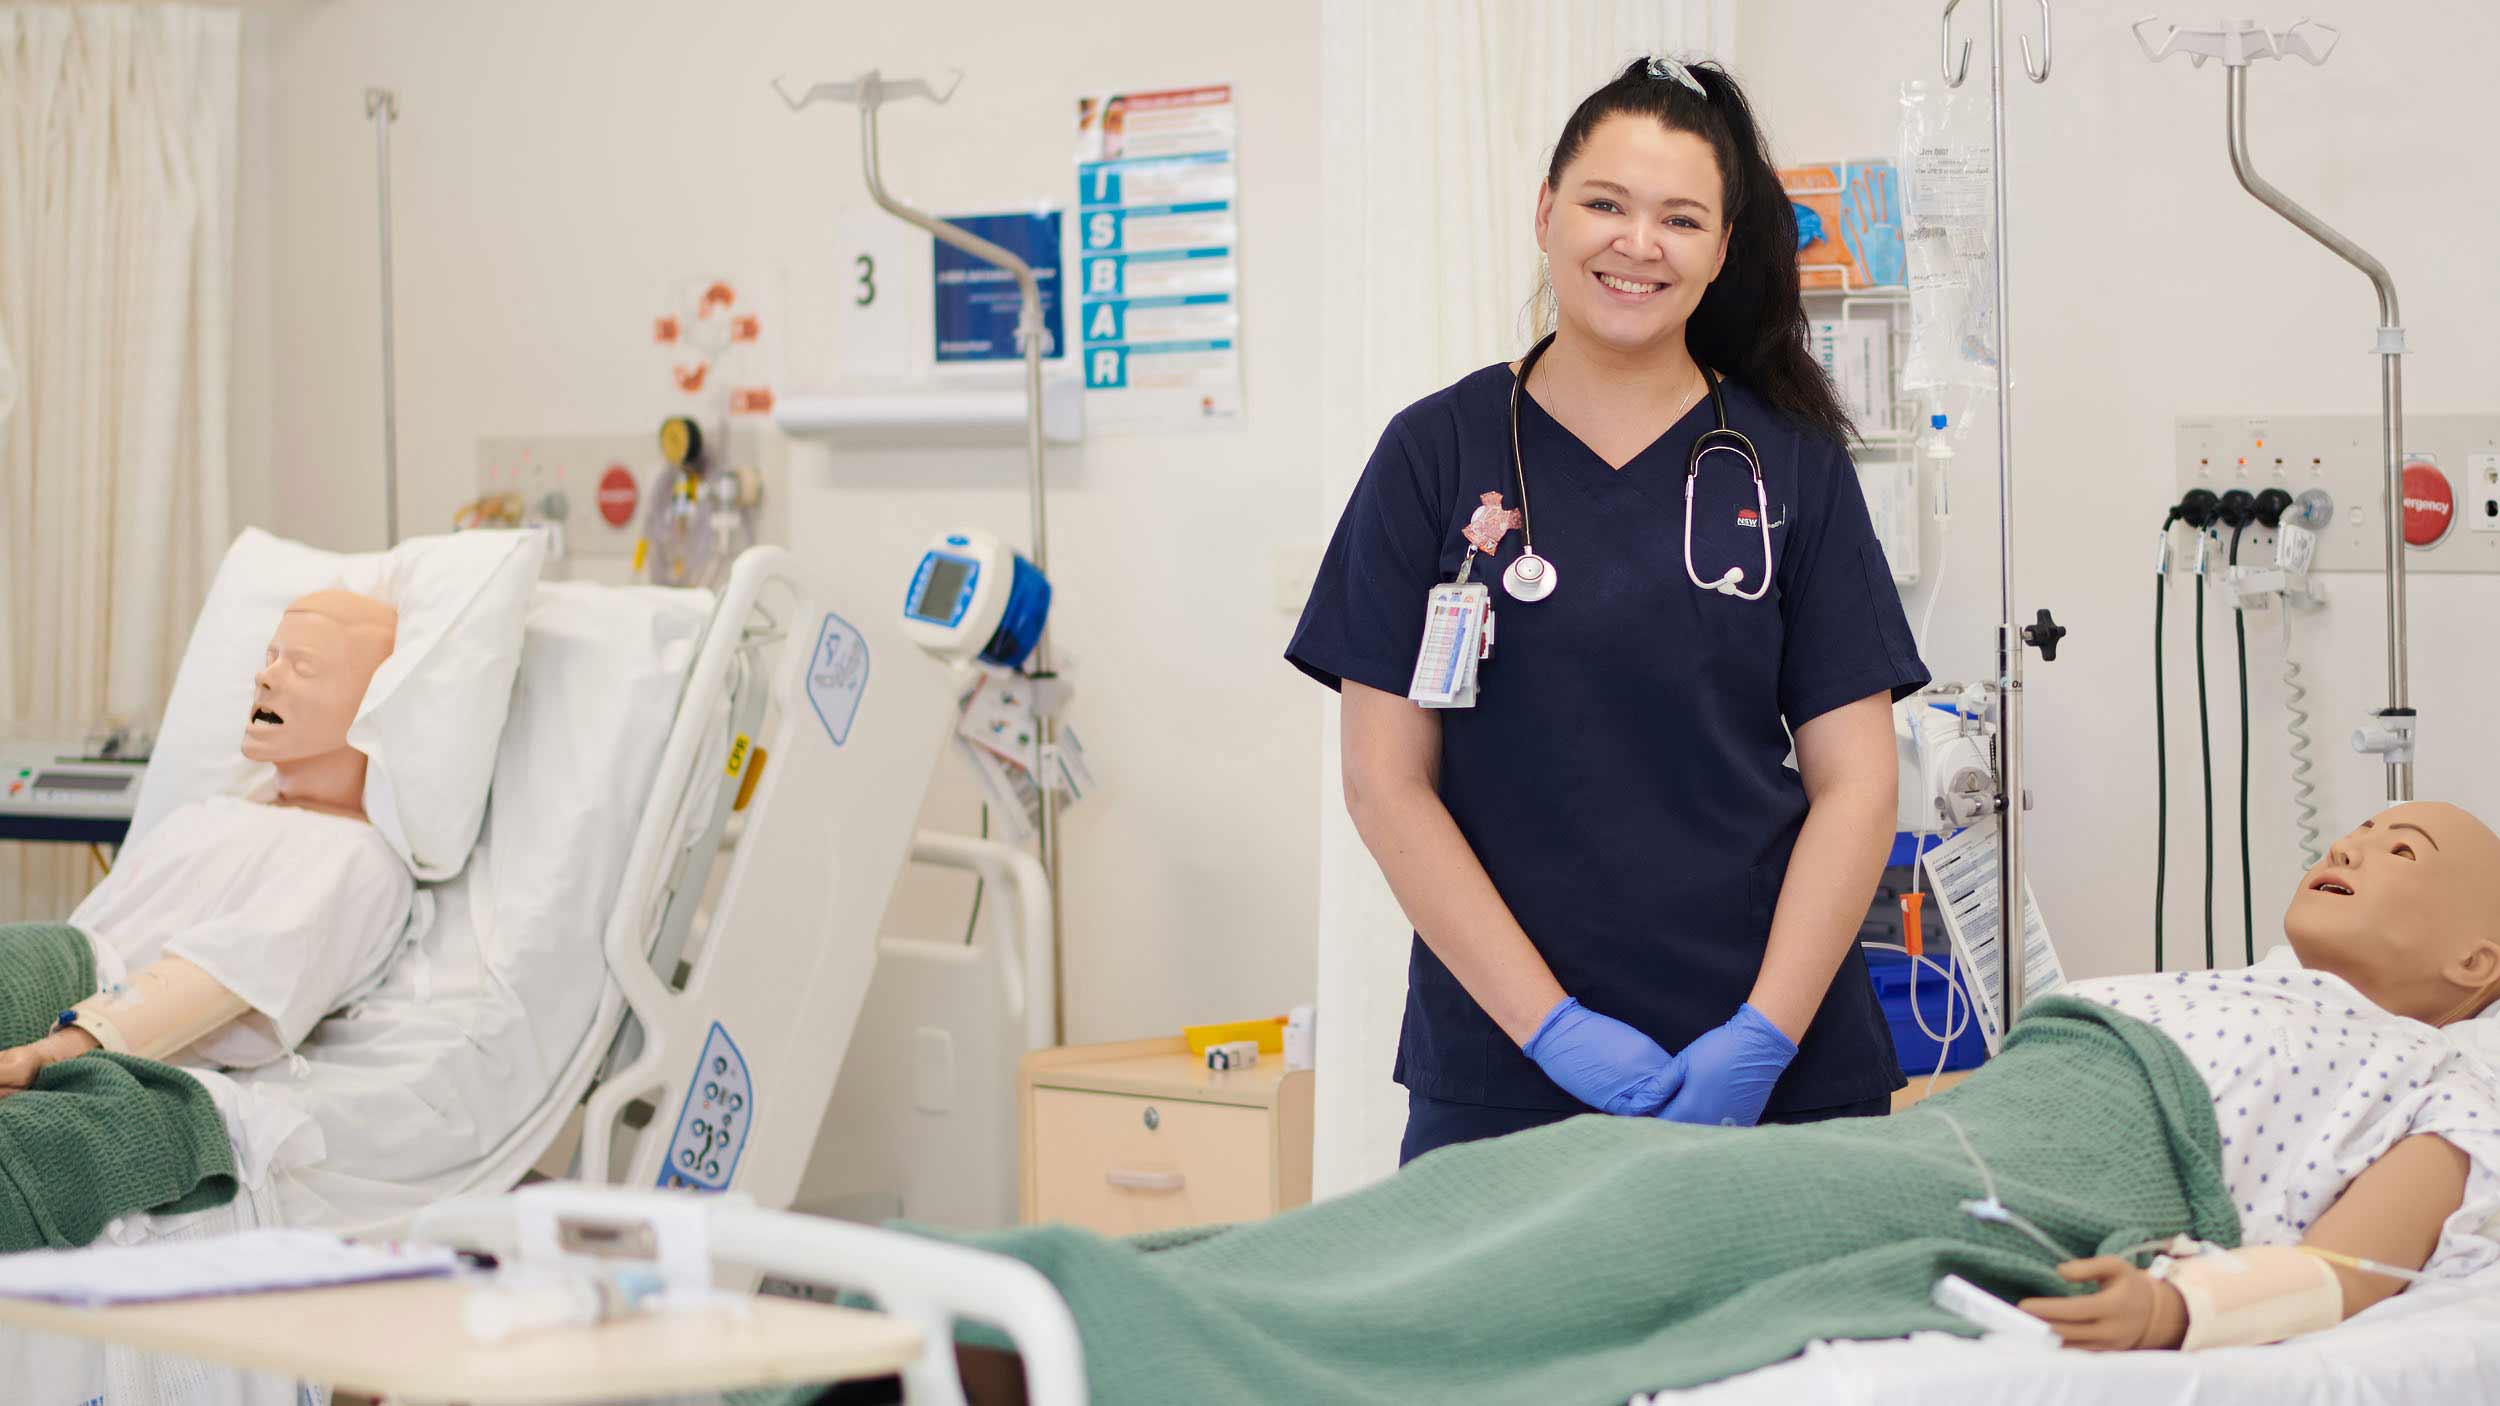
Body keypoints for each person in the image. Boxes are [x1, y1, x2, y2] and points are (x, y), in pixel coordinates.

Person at [775, 800, 2500, 1405]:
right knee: (1538, 1182)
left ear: (2481, 960)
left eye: (2405, 848)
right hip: (1940, 1138)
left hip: (2025, 1195)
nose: (2354, 843)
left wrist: (2182, 1307)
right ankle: (1055, 1301)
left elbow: (2361, 1274)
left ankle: (1101, 1355)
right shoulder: (2236, 983)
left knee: (1626, 1209)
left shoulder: (2434, 1074)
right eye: (2358, 826)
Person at [1287, 55, 1929, 1161]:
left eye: (1680, 218)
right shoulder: (1434, 455)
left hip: (1774, 1067)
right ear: (1545, 212)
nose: (1637, 243)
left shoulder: (1790, 466)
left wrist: (1765, 1036)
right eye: (1603, 203)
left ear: (1722, 251)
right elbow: (1385, 781)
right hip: (1503, 1066)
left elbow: (1857, 781)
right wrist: (1551, 1026)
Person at [0, 589, 413, 1090]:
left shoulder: (355, 856)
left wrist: (53, 1053)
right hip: (34, 965)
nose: (265, 677)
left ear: (372, 705)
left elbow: (220, 975)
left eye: (302, 667)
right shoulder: (210, 813)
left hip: (66, 1013)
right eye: (271, 658)